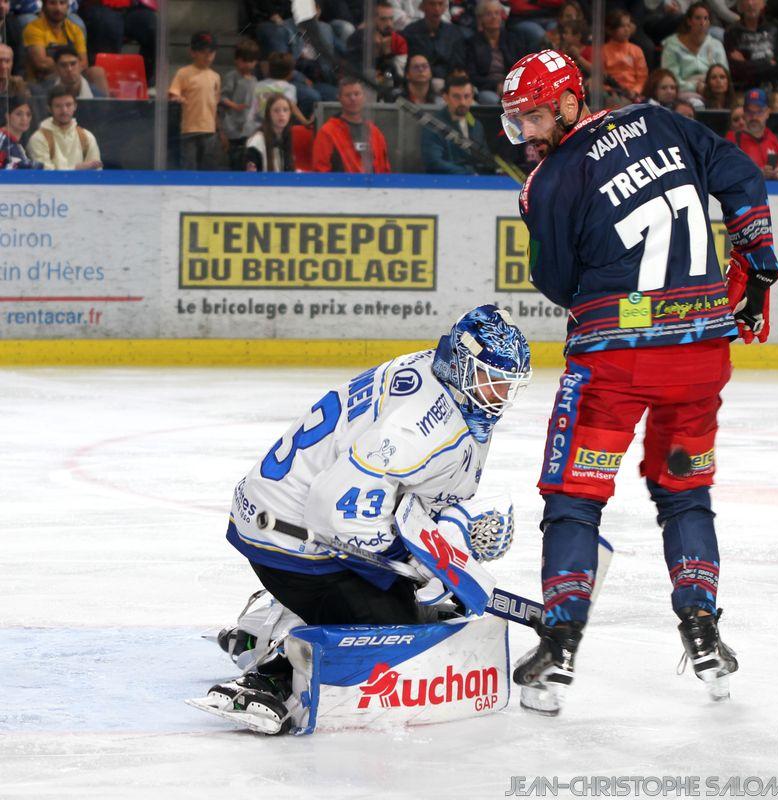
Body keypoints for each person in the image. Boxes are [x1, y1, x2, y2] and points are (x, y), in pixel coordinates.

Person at [499, 50, 778, 714]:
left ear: (569, 101)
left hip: (616, 367)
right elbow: (741, 176)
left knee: (574, 497)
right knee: (686, 495)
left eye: (535, 116)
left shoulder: (549, 181)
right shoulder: (660, 120)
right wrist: (759, 264)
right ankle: (704, 627)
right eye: (517, 123)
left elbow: (557, 285)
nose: (529, 134)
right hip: (701, 357)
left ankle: (560, 643)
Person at [197, 305, 532, 734]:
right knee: (396, 633)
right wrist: (411, 562)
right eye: (492, 380)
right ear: (463, 366)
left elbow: (408, 491)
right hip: (292, 535)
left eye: (508, 384)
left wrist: (446, 535)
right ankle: (272, 668)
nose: (500, 394)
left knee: (415, 600)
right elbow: (335, 509)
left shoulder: (433, 373)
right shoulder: (419, 426)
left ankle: (271, 619)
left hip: (285, 509)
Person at [312, 77, 391, 173]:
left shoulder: (375, 133)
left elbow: (385, 171)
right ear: (339, 98)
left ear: (364, 97)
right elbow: (320, 171)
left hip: (372, 187)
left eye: (357, 94)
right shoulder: (327, 132)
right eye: (348, 95)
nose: (353, 98)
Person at [168, 31, 221, 171]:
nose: (208, 56)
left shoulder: (215, 77)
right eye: (203, 52)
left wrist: (218, 129)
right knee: (189, 164)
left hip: (209, 129)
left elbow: (214, 104)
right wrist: (176, 98)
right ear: (193, 52)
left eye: (211, 52)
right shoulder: (184, 73)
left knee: (208, 165)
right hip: (190, 128)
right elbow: (173, 93)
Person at [78, 0, 156, 85]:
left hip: (133, 7)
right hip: (99, 6)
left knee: (154, 27)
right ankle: (103, 85)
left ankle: (145, 81)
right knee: (108, 25)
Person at [421, 73, 488, 173]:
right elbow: (434, 163)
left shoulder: (476, 125)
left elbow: (485, 158)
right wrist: (468, 173)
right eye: (457, 97)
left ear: (472, 96)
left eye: (467, 96)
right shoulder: (433, 124)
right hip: (443, 184)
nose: (463, 102)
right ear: (445, 97)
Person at [466, 0, 527, 105]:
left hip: (511, 87)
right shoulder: (472, 43)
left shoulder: (513, 40)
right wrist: (495, 85)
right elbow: (472, 76)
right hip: (486, 88)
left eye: (497, 13)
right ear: (480, 19)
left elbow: (522, 68)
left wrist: (506, 85)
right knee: (492, 100)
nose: (494, 17)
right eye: (489, 14)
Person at [660, 2, 729, 96]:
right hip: (683, 92)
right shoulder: (672, 46)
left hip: (712, 91)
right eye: (698, 18)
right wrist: (695, 87)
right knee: (696, 103)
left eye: (706, 18)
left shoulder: (716, 45)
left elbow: (724, 74)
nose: (702, 23)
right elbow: (670, 79)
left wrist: (708, 87)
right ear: (689, 21)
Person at [27, 83, 101, 168]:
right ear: (49, 109)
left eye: (68, 105)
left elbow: (97, 174)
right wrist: (76, 168)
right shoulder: (38, 138)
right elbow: (44, 176)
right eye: (58, 106)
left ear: (75, 106)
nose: (64, 110)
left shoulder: (87, 137)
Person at [726, 87, 778, 179]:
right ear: (744, 112)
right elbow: (724, 174)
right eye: (749, 112)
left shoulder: (777, 140)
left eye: (759, 112)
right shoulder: (732, 139)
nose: (754, 117)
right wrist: (756, 174)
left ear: (767, 113)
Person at [724, 0, 778, 92]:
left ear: (763, 3)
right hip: (744, 92)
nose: (750, 3)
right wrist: (768, 63)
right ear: (740, 6)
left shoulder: (774, 29)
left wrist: (746, 63)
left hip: (774, 91)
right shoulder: (732, 32)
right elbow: (736, 70)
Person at [346, 0, 408, 90]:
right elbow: (354, 71)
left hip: (388, 91)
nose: (389, 24)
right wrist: (374, 52)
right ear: (372, 20)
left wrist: (386, 55)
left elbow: (397, 80)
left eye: (391, 19)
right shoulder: (357, 38)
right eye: (383, 19)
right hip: (360, 89)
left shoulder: (397, 40)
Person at [22, 0, 87, 83]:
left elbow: (84, 63)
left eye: (62, 3)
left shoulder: (75, 29)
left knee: (96, 72)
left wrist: (65, 67)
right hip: (43, 79)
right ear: (44, 7)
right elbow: (41, 63)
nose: (58, 8)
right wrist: (71, 64)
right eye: (52, 3)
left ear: (67, 6)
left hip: (73, 77)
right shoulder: (33, 28)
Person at [402, 0, 466, 83]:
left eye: (440, 4)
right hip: (421, 80)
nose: (436, 8)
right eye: (432, 4)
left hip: (449, 81)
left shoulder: (453, 32)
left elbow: (458, 64)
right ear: (423, 7)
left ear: (445, 8)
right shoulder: (410, 32)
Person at [220, 39, 259, 171]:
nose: (248, 64)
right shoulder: (232, 77)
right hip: (232, 127)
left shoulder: (254, 80)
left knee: (248, 158)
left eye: (252, 61)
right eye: (245, 60)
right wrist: (235, 106)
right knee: (234, 158)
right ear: (237, 60)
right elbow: (222, 97)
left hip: (248, 128)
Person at [602, 10, 648, 100]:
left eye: (628, 25)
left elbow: (642, 78)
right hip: (611, 94)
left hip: (634, 95)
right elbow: (600, 78)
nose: (627, 29)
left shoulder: (636, 50)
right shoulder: (602, 51)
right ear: (611, 29)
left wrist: (635, 91)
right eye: (622, 26)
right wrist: (611, 90)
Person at [30, 43, 107, 97]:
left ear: (80, 66)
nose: (69, 69)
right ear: (56, 69)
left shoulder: (97, 96)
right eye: (63, 65)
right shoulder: (43, 94)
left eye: (73, 64)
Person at [245, 93, 295, 171]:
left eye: (285, 110)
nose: (282, 114)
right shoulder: (257, 141)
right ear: (269, 114)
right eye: (276, 111)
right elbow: (251, 177)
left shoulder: (285, 136)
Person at [1, 93, 42, 168]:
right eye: (19, 114)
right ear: (7, 116)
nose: (24, 119)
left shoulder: (16, 145)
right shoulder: (2, 140)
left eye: (28, 114)